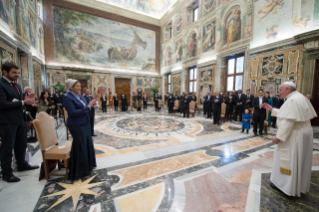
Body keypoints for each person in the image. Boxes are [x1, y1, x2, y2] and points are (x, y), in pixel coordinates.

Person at [262, 82, 317, 197]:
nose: (279, 92)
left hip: (294, 135)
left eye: (280, 90)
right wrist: (273, 109)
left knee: (288, 160)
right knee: (299, 161)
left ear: (288, 89)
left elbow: (289, 121)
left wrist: (279, 137)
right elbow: (288, 114)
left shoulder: (292, 100)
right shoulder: (299, 97)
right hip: (303, 132)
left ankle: (286, 187)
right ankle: (297, 186)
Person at [0, 63, 39, 182]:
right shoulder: (1, 85)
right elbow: (2, 104)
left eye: (18, 73)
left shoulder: (16, 85)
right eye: (14, 73)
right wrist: (23, 102)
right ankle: (6, 173)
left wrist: (26, 99)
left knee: (21, 144)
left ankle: (21, 164)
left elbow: (17, 99)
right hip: (7, 121)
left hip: (20, 119)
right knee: (7, 147)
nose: (17, 75)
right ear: (4, 72)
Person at [63, 79, 97, 181]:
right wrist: (88, 106)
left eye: (80, 86)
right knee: (80, 145)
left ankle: (88, 167)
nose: (80, 88)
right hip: (76, 125)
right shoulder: (67, 98)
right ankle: (79, 170)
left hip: (85, 122)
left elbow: (86, 108)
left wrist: (90, 106)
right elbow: (73, 112)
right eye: (77, 86)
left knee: (87, 144)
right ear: (71, 87)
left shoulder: (81, 96)